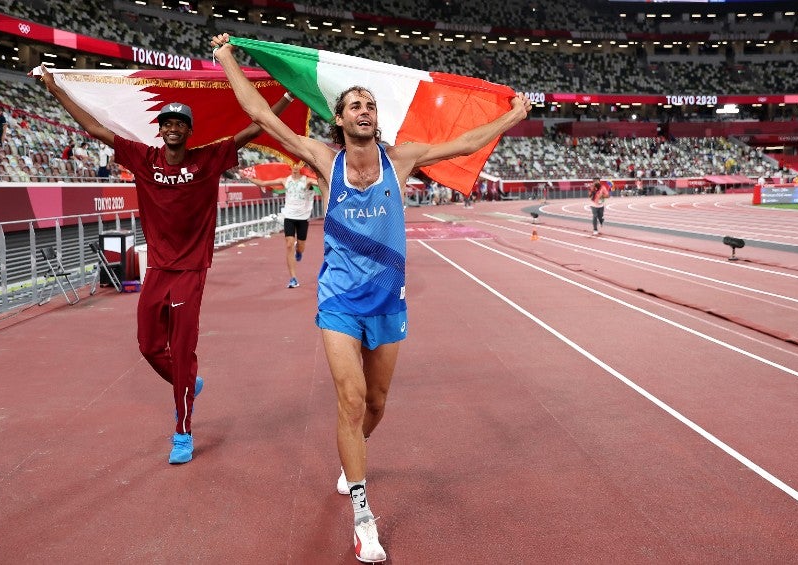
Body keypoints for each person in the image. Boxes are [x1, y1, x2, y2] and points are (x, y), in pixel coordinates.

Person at [212, 33, 531, 563]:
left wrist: (511, 118)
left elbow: (466, 144)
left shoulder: (400, 159)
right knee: (351, 399)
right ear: (338, 119)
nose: (365, 110)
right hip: (338, 298)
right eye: (355, 105)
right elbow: (263, 116)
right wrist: (226, 59)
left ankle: (351, 454)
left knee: (376, 405)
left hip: (387, 300)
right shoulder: (323, 158)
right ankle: (363, 516)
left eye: (371, 105)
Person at [38, 63, 294, 465]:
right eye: (167, 122)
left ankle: (183, 431)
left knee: (182, 348)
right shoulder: (142, 158)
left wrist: (288, 97)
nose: (173, 127)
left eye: (180, 123)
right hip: (157, 268)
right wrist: (54, 89)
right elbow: (95, 129)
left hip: (191, 271)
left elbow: (253, 129)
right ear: (159, 129)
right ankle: (188, 383)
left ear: (189, 131)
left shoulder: (208, 159)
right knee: (148, 346)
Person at [246, 161, 320, 288]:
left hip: (303, 218)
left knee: (301, 246)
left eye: (297, 166)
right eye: (293, 166)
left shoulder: (306, 181)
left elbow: (319, 183)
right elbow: (264, 183)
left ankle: (299, 250)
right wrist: (248, 178)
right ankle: (293, 278)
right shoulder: (285, 180)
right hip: (289, 217)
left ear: (301, 168)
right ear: (290, 167)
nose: (295, 168)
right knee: (289, 244)